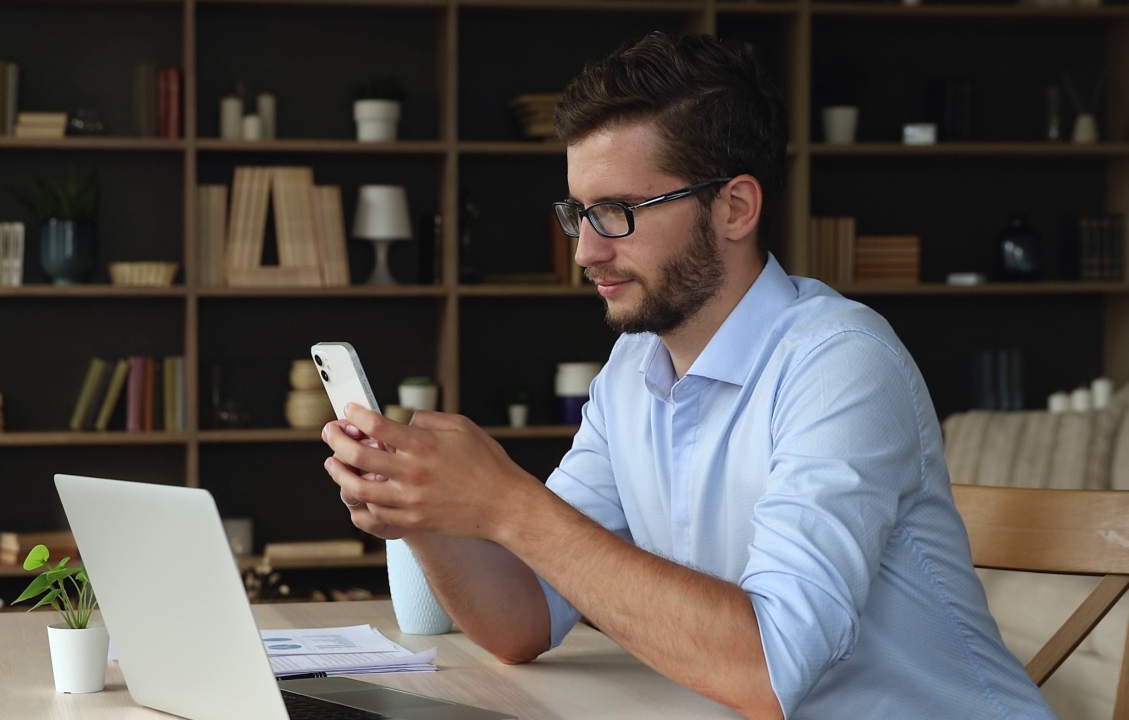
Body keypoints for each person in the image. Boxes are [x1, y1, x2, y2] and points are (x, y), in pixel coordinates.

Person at [321, 31, 1055, 719]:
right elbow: (524, 621)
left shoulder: (840, 363)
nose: (585, 252)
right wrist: (425, 511)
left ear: (734, 206)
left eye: (616, 212)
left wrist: (507, 503)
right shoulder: (633, 368)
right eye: (578, 213)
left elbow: (768, 668)